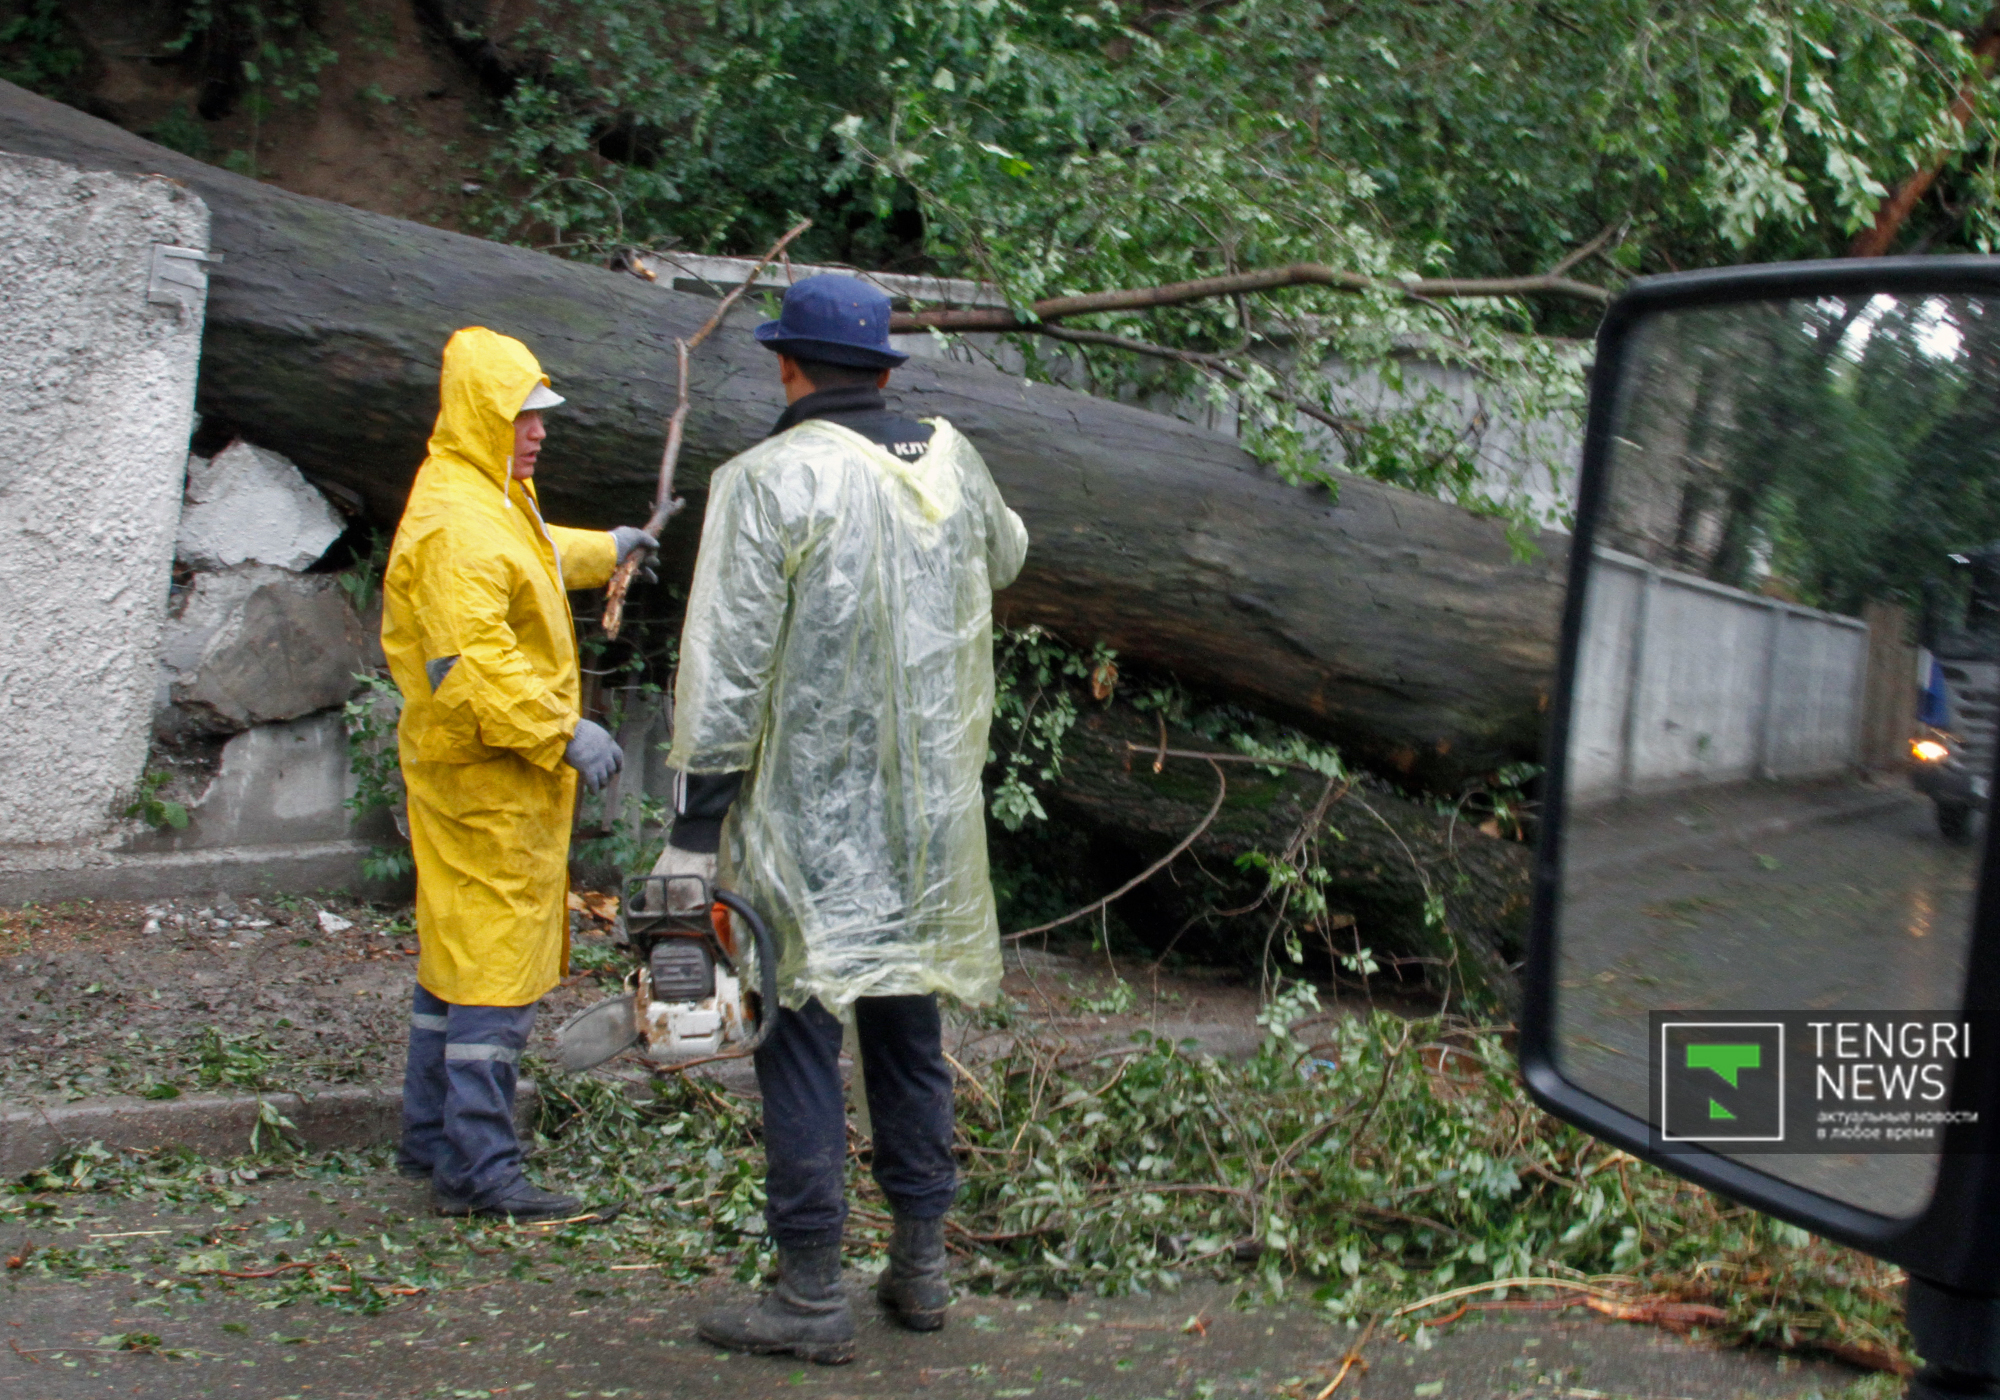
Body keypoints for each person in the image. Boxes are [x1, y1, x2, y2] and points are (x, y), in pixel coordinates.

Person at [655, 275, 1028, 1364]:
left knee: (798, 1039)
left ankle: (811, 1292)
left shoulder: (767, 479)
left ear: (786, 364)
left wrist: (693, 831)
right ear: (881, 369)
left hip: (804, 823)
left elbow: (726, 671)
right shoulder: (951, 457)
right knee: (908, 1033)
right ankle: (921, 1267)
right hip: (924, 821)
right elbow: (1008, 553)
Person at [382, 326, 658, 1222]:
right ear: (479, 414)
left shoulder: (483, 491)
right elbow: (471, 664)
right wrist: (563, 729)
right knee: (493, 969)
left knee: (456, 958)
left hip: (478, 777)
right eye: (520, 416)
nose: (537, 431)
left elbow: (530, 554)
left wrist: (607, 547)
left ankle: (431, 1140)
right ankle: (480, 1170)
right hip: (488, 784)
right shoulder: (459, 523)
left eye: (540, 415)